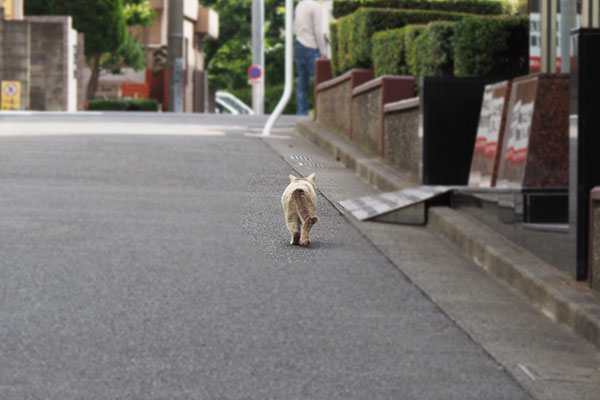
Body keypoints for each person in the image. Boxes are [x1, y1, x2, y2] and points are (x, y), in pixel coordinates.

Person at [294, 0, 327, 115]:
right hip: (311, 47)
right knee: (321, 81)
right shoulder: (316, 6)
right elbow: (317, 30)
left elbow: (295, 28)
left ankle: (302, 112)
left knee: (302, 82)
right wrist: (323, 51)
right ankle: (322, 112)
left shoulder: (299, 5)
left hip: (299, 45)